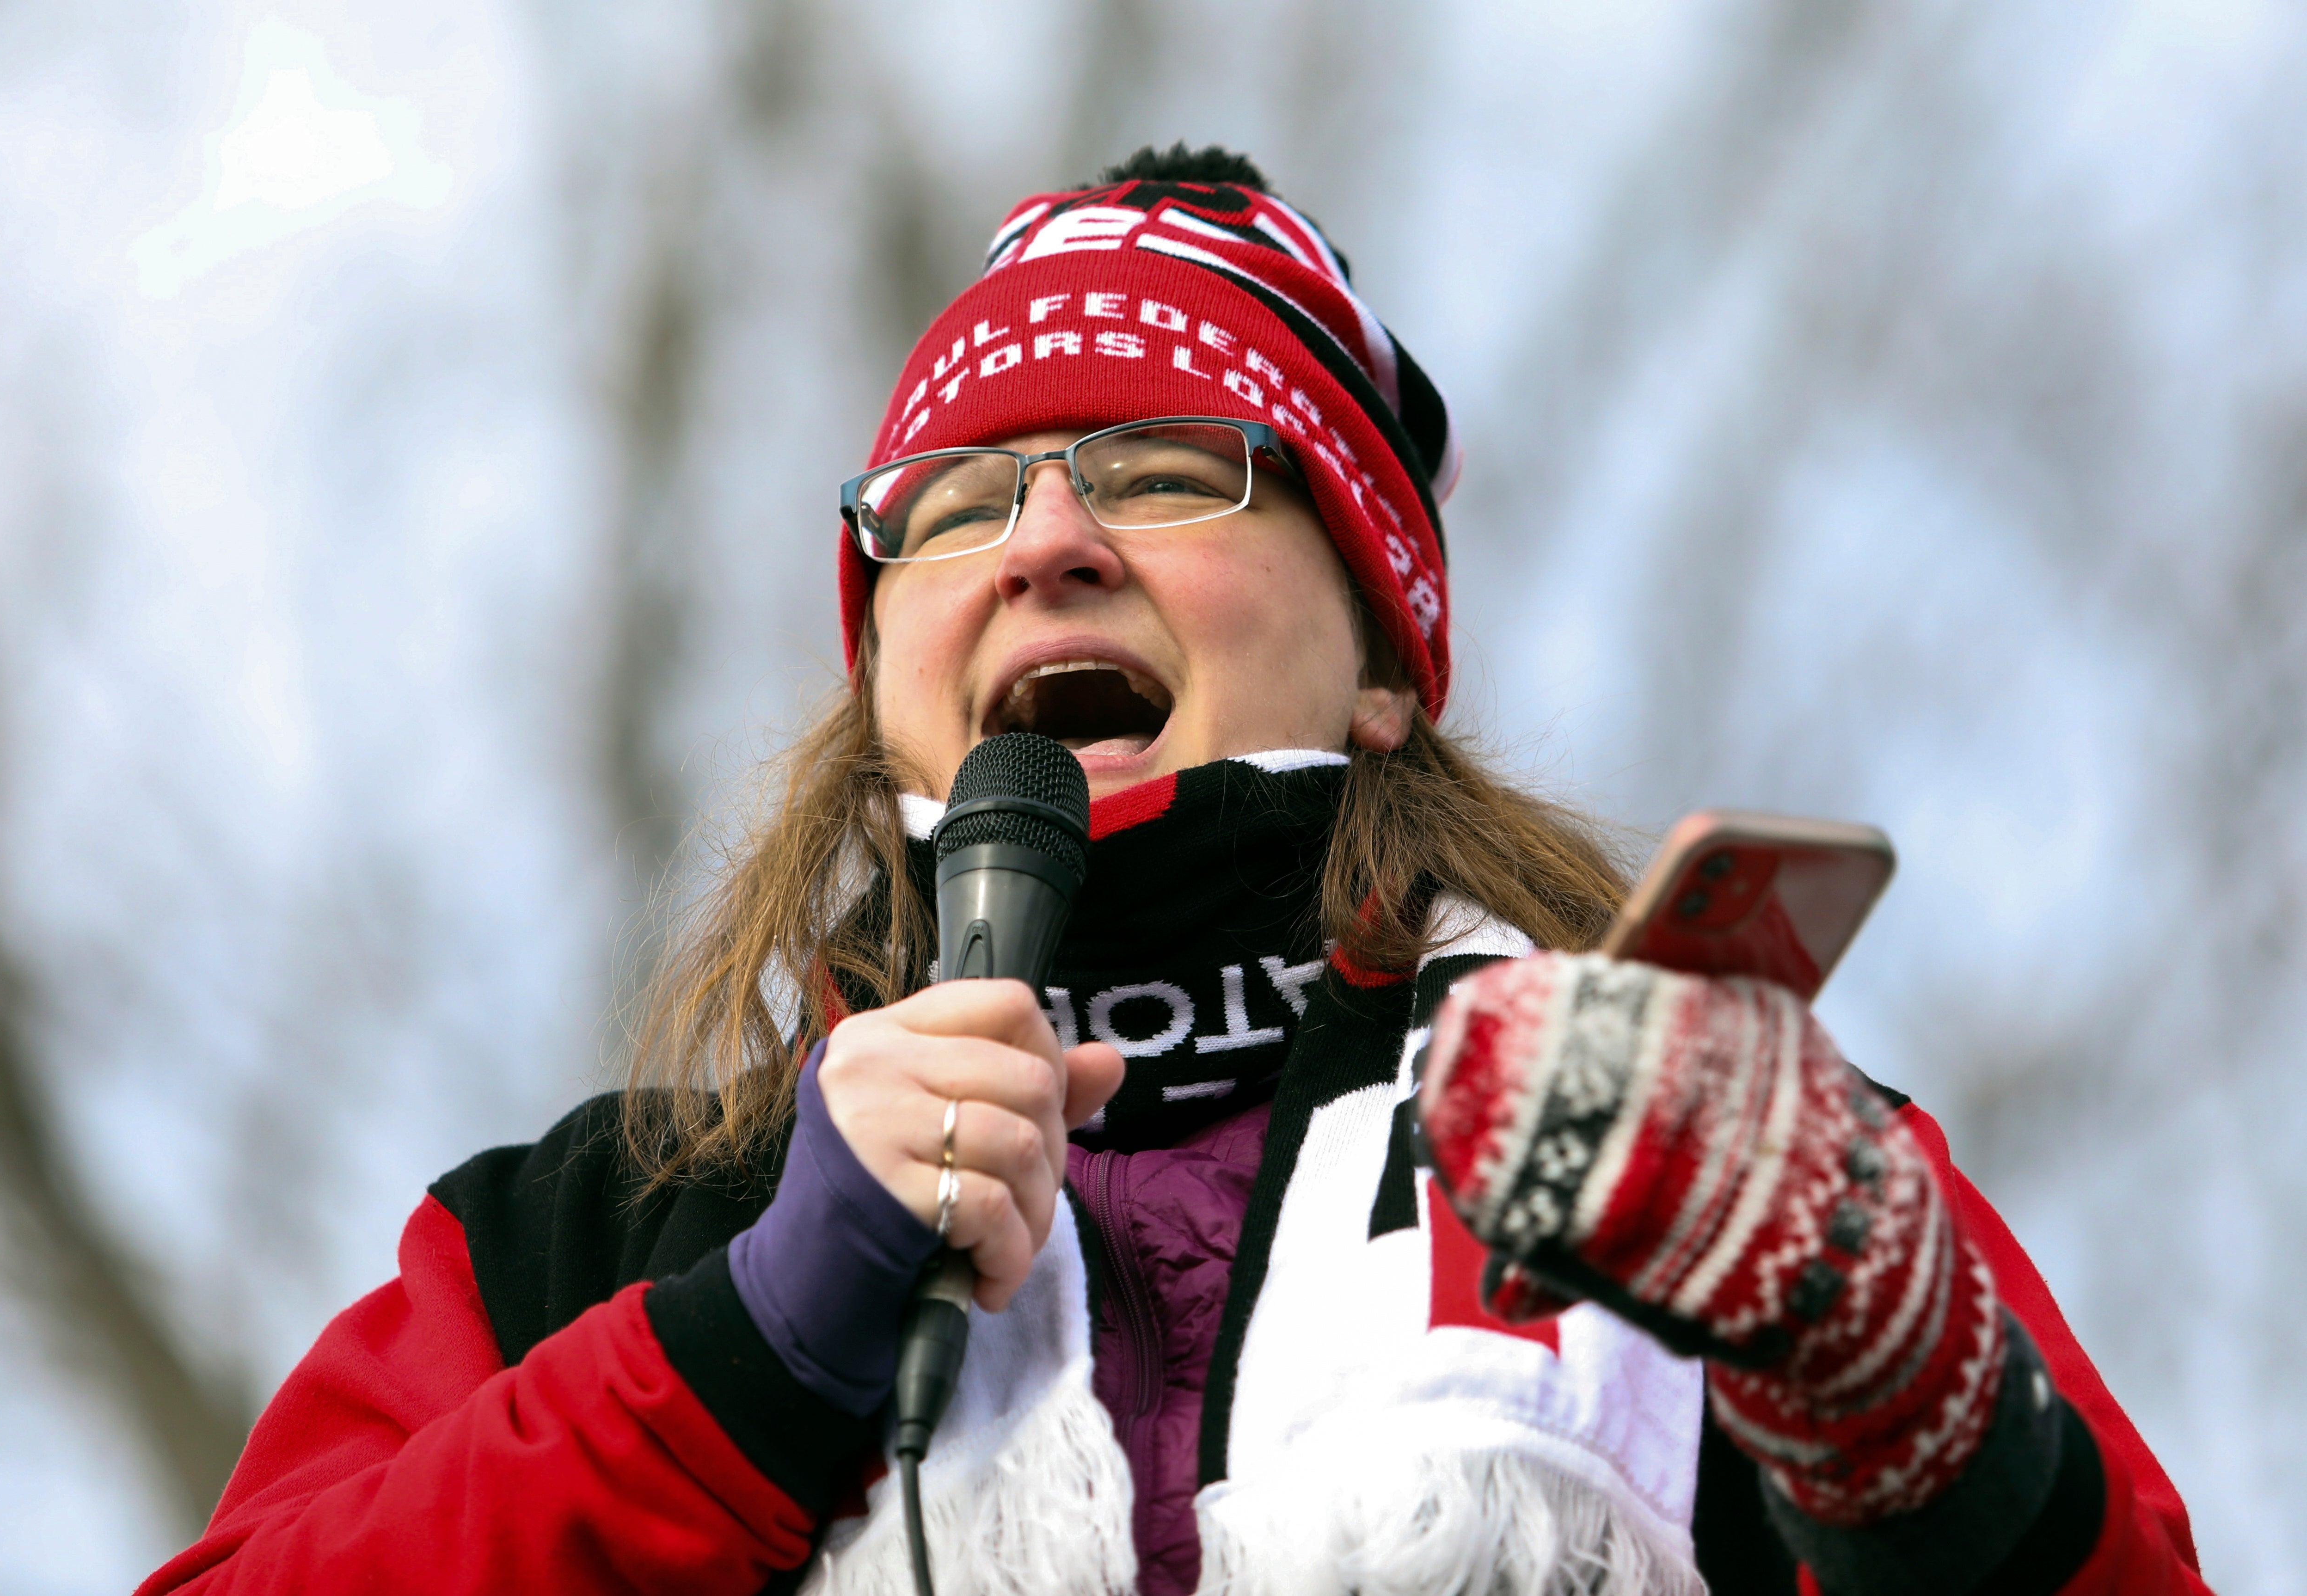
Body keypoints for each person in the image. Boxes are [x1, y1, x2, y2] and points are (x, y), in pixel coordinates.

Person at [138, 145, 2209, 1596]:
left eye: (1160, 467)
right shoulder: (591, 1230)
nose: (1044, 533)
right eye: (951, 506)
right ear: (878, 674)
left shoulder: (1692, 1163)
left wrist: (1903, 1399)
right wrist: (746, 1345)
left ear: (1388, 653)